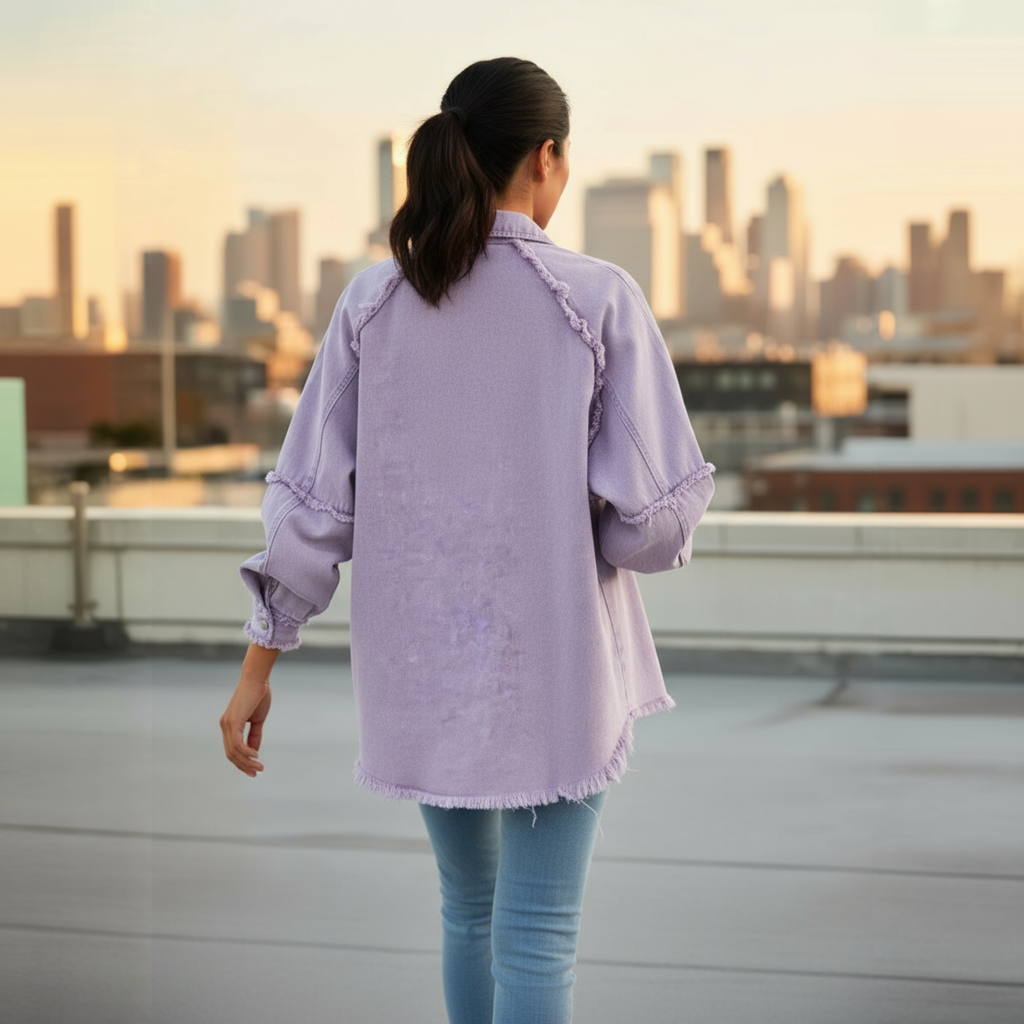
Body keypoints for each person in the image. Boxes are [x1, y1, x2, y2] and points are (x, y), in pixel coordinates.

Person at [220, 56, 715, 1024]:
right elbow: (656, 525)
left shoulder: (372, 304)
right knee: (538, 932)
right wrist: (574, 521)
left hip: (421, 665)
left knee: (468, 910)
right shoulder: (594, 297)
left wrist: (256, 668)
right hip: (558, 664)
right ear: (546, 157)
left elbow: (312, 508)